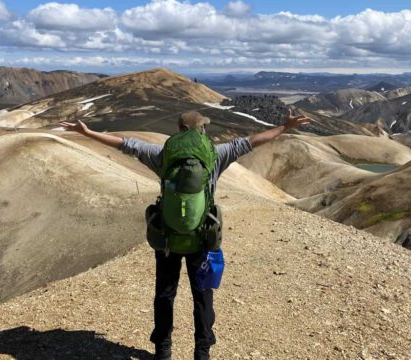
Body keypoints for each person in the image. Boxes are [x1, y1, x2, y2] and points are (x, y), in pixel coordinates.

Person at [60, 109, 309, 360]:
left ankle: (163, 350)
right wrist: (284, 127)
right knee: (202, 297)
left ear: (179, 130)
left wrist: (88, 132)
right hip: (201, 239)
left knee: (165, 295)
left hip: (167, 238)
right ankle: (202, 352)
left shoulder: (163, 155)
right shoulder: (215, 154)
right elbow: (251, 142)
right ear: (201, 129)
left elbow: (126, 145)